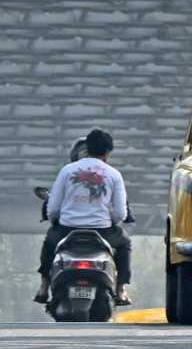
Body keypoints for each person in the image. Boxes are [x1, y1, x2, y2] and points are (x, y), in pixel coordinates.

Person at [34, 129, 132, 306]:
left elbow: (53, 207)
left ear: (87, 147)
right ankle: (121, 288)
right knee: (125, 244)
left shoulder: (67, 170)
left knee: (49, 242)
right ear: (108, 152)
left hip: (67, 228)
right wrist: (109, 219)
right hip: (103, 231)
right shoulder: (114, 174)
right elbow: (120, 213)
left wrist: (55, 219)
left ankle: (44, 285)